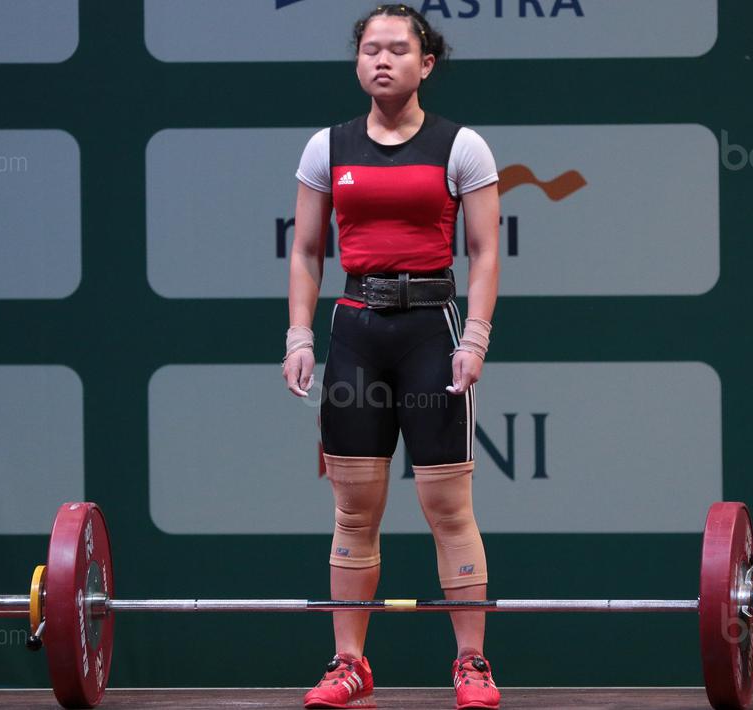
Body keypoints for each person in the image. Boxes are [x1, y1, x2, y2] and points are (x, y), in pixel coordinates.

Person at [283, 5, 501, 709]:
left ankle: (471, 663)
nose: (382, 59)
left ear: (424, 64)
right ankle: (349, 663)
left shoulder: (461, 145)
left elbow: (484, 252)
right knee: (354, 511)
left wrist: (474, 338)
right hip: (355, 330)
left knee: (447, 504)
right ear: (356, 62)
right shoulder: (327, 147)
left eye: (397, 49)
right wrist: (299, 336)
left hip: (430, 332)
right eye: (370, 49)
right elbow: (308, 252)